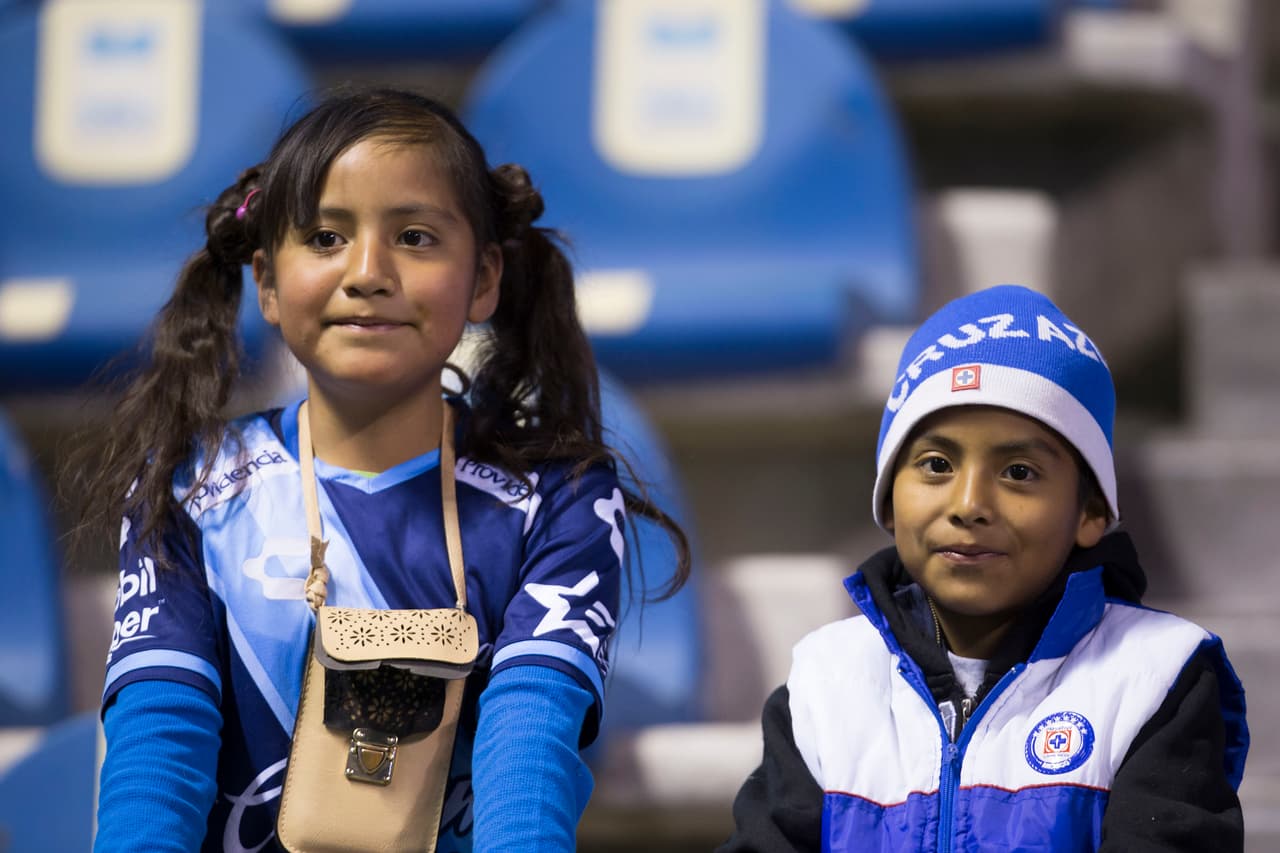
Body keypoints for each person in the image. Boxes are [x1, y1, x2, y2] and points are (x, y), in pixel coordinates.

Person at [67, 87, 690, 853]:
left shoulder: (560, 499)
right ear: (265, 279)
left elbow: (530, 750)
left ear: (484, 278)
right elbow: (157, 750)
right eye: (326, 237)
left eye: (417, 237)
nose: (367, 272)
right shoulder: (188, 485)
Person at [720, 284, 1249, 852]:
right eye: (936, 464)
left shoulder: (1157, 678)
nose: (968, 503)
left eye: (1019, 472)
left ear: (1092, 511)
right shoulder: (826, 683)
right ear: (889, 501)